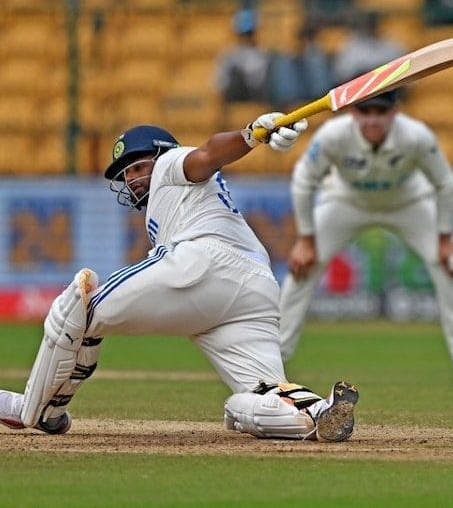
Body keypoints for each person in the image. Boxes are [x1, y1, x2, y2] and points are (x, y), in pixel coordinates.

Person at [0, 116, 359, 442]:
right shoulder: (176, 200)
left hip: (205, 263)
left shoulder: (170, 165)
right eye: (126, 173)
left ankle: (35, 410)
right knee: (258, 395)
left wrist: (250, 135)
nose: (132, 177)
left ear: (160, 156)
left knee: (79, 303)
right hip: (255, 290)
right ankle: (317, 411)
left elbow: (209, 153)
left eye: (138, 166)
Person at [277, 90, 453, 384]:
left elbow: (445, 182)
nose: (372, 120)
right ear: (353, 113)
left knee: (451, 266)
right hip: (345, 201)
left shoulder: (416, 136)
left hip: (408, 202)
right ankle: (272, 360)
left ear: (394, 113)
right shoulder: (333, 136)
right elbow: (303, 179)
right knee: (301, 269)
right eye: (366, 112)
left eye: (380, 112)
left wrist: (444, 237)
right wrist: (305, 240)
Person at [215, 8, 271, 104]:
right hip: (235, 94)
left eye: (249, 33)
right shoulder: (229, 54)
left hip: (257, 94)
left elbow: (260, 80)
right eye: (243, 34)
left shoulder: (263, 54)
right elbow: (220, 82)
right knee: (234, 73)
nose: (246, 37)